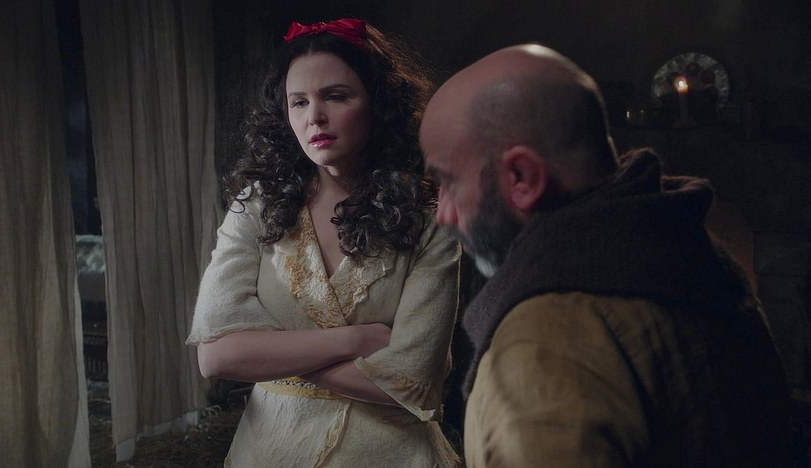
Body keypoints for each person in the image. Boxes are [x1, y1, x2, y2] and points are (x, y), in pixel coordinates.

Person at [420, 44, 793, 467]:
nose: (443, 214)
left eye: (448, 182)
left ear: (521, 176)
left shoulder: (546, 345)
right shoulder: (696, 256)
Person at [188, 18, 461, 467]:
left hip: (390, 456)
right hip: (271, 452)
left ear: (378, 103)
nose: (314, 116)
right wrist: (358, 340)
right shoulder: (256, 206)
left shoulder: (426, 215)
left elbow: (415, 382)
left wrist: (272, 356)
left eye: (335, 96)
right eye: (299, 102)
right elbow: (217, 356)